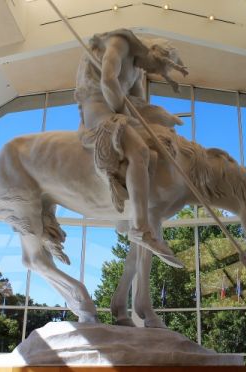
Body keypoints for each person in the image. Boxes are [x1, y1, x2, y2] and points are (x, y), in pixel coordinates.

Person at [75, 29, 187, 267]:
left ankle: (130, 212)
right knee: (140, 151)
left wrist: (161, 116)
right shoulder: (119, 43)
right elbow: (107, 80)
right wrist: (127, 117)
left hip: (117, 109)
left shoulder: (137, 69)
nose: (149, 71)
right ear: (154, 53)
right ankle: (140, 228)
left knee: (155, 148)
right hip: (97, 107)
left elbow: (140, 104)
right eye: (154, 67)